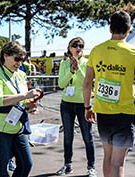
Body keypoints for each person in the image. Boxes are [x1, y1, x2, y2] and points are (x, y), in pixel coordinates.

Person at [83, 10, 135, 177]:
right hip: (124, 113)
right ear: (129, 29)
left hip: (103, 112)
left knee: (107, 157)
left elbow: (87, 83)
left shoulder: (96, 50)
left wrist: (87, 107)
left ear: (110, 29)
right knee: (118, 163)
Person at [0, 41, 42, 177]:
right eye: (17, 58)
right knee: (2, 170)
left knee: (27, 164)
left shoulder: (20, 75)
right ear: (6, 55)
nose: (19, 63)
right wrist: (25, 95)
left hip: (17, 127)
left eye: (22, 59)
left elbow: (23, 101)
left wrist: (30, 105)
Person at [56, 37, 96, 177]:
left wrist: (78, 69)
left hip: (83, 104)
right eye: (75, 45)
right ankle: (68, 165)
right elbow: (61, 84)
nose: (78, 48)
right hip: (66, 104)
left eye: (81, 46)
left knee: (87, 136)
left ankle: (91, 167)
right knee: (68, 136)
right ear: (69, 48)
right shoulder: (64, 64)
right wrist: (71, 71)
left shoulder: (87, 62)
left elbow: (87, 82)